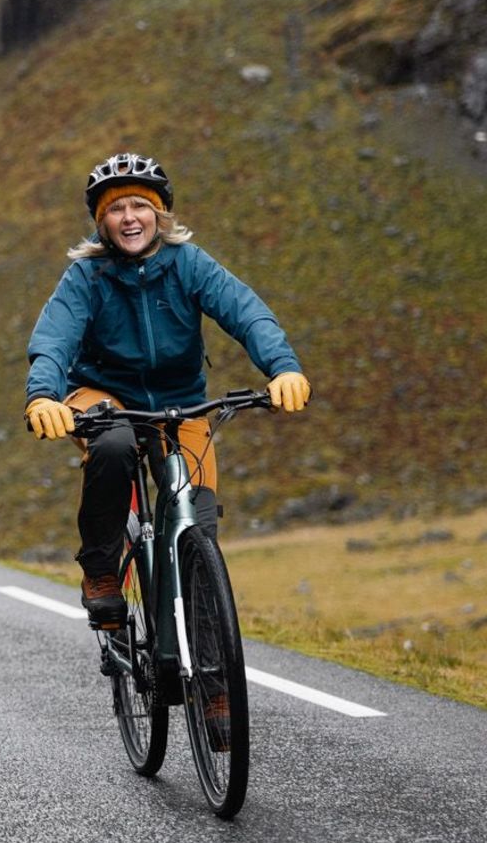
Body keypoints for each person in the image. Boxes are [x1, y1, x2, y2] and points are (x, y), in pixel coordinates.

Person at [22, 152, 308, 749]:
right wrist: (44, 396)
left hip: (182, 405)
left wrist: (282, 368)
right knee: (115, 446)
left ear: (160, 214)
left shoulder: (188, 264)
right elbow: (53, 338)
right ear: (101, 222)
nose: (129, 218)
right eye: (116, 209)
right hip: (105, 399)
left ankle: (215, 690)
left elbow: (245, 310)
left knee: (197, 530)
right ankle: (102, 569)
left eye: (139, 207)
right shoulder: (87, 278)